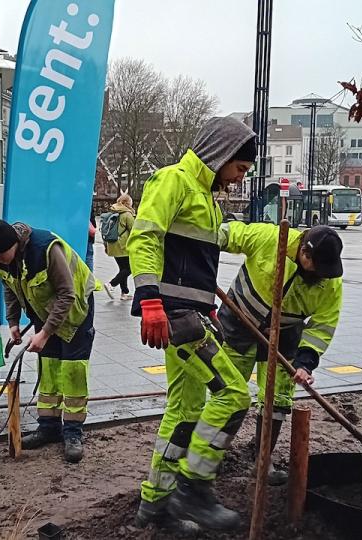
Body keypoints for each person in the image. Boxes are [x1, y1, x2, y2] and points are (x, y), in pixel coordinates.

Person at [130, 116, 256, 533]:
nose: (239, 179)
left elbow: (193, 263)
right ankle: (194, 487)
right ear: (221, 155)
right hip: (175, 315)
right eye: (238, 168)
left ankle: (156, 503)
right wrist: (150, 300)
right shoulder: (173, 181)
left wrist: (210, 306)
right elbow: (145, 237)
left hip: (190, 313)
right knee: (234, 394)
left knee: (184, 409)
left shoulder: (206, 197)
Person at [217, 223, 343, 485]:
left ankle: (263, 458)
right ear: (305, 255)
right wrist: (198, 254)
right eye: (318, 268)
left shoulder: (329, 281)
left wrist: (305, 363)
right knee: (228, 393)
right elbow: (227, 234)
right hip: (239, 323)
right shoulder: (270, 239)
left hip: (285, 333)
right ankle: (212, 454)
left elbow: (323, 325)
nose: (323, 275)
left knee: (278, 397)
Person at [0, 219, 96, 462]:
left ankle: (73, 433)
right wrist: (13, 323)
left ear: (14, 244)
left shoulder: (46, 249)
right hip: (46, 311)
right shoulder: (2, 257)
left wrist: (44, 333)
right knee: (50, 368)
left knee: (72, 370)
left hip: (76, 311)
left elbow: (68, 294)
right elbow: (9, 289)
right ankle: (49, 428)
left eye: (1, 255)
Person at [103, 193, 136, 301]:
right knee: (129, 268)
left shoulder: (113, 211)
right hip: (123, 246)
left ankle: (124, 293)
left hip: (112, 244)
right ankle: (111, 284)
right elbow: (133, 230)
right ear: (128, 203)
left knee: (123, 268)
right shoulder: (127, 214)